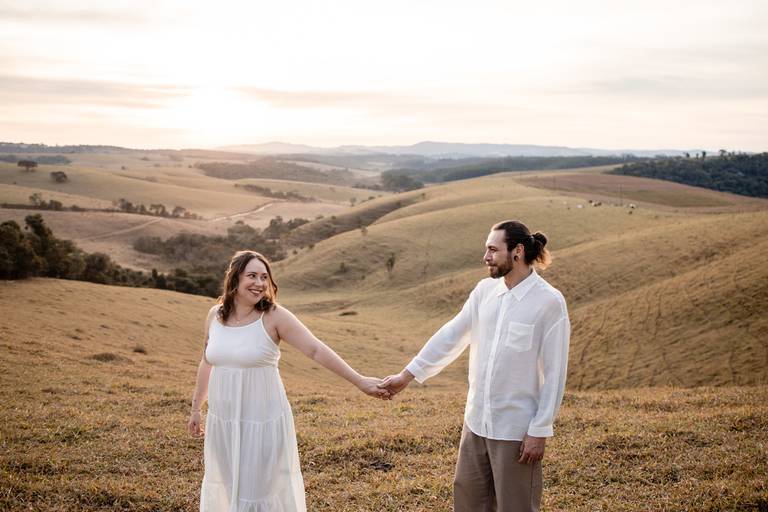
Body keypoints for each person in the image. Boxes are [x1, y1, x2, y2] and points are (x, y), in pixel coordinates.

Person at [380, 220, 570, 512]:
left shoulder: (549, 302)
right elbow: (451, 335)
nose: (486, 257)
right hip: (476, 423)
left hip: (516, 431)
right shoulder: (484, 291)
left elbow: (555, 372)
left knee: (515, 507)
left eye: (493, 250)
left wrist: (540, 430)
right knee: (468, 503)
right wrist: (406, 376)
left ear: (518, 251)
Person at [188, 250, 389, 512]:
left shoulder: (274, 316)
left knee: (258, 492)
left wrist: (360, 381)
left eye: (264, 277)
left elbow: (315, 349)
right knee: (226, 485)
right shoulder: (215, 316)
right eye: (252, 276)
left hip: (262, 421)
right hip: (223, 420)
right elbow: (207, 361)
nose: (259, 283)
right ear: (235, 279)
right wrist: (196, 408)